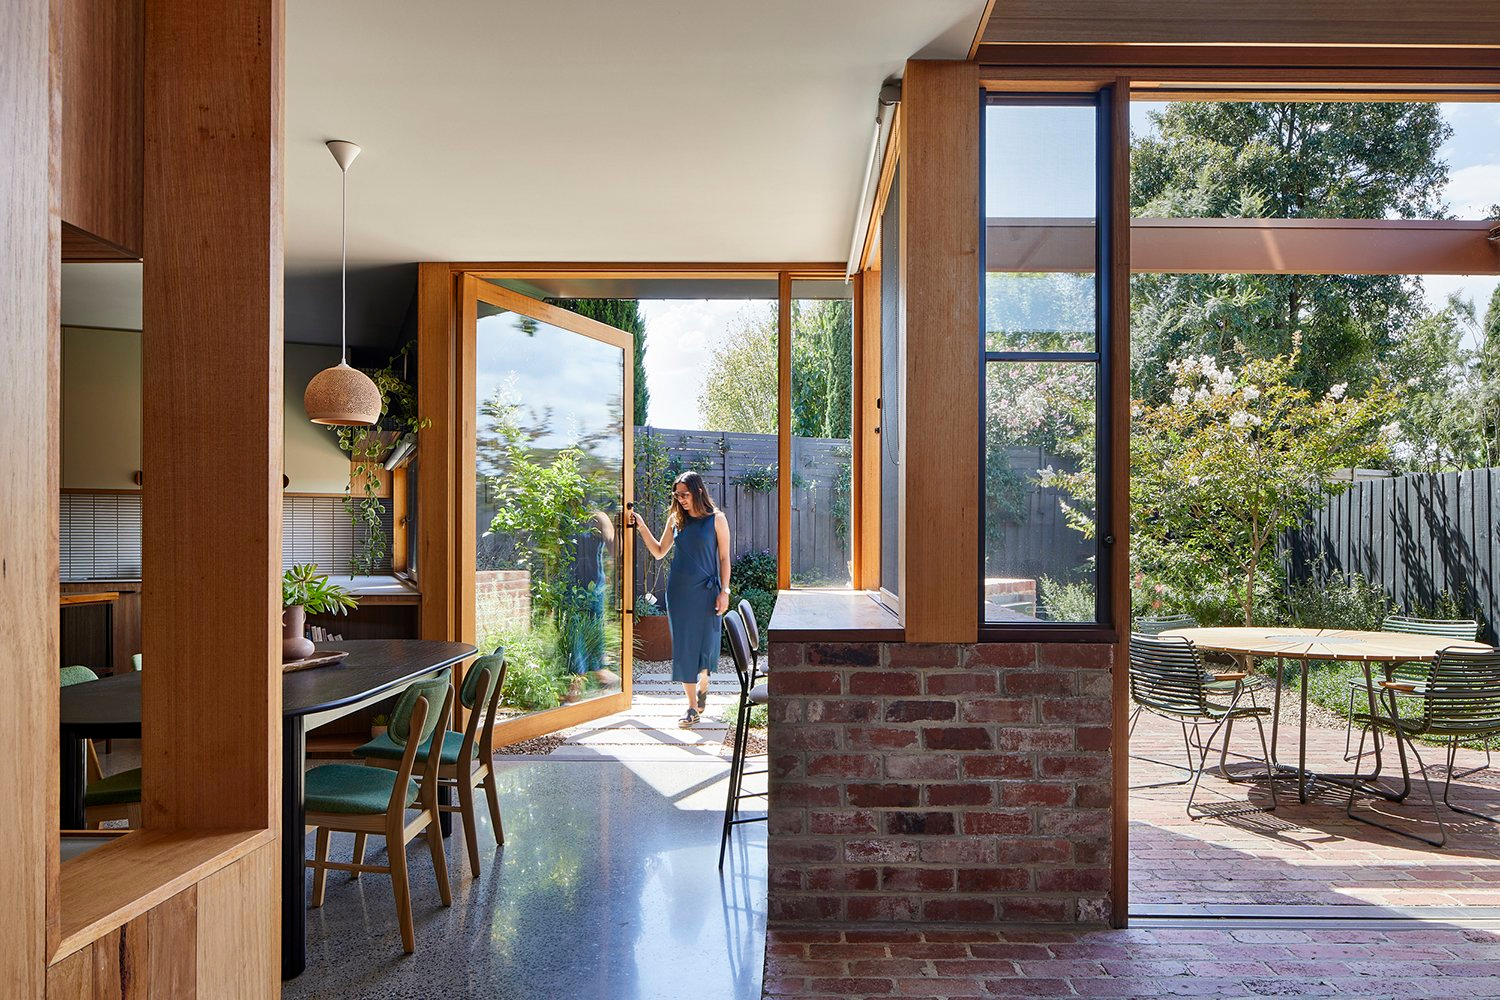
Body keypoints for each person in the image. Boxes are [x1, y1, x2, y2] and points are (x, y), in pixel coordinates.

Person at [631, 471, 731, 727]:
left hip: (708, 591)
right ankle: (691, 707)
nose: (681, 500)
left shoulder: (717, 520)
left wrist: (725, 591)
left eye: (684, 494)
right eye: (677, 495)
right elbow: (658, 552)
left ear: (698, 491)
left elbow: (724, 558)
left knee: (707, 645)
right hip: (680, 593)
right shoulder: (675, 520)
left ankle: (704, 683)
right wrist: (641, 526)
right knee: (685, 648)